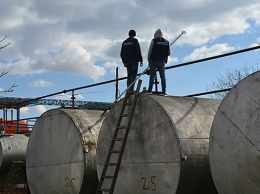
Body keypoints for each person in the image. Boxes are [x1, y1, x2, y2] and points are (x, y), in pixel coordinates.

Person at [147, 29, 170, 95]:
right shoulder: (167, 42)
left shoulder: (154, 41)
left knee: (152, 76)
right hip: (162, 60)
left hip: (153, 60)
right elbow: (169, 53)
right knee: (162, 76)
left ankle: (150, 90)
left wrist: (149, 60)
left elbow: (150, 51)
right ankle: (164, 91)